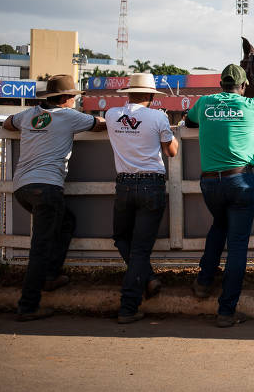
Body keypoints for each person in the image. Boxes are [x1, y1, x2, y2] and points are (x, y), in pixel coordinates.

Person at [185, 64, 254, 328]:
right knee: (238, 246)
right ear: (243, 86)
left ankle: (204, 280)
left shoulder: (204, 102)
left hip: (210, 183)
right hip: (240, 180)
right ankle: (226, 311)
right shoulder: (252, 105)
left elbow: (189, 121)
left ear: (220, 84)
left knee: (219, 225)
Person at [3, 74, 106, 321]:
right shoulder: (69, 116)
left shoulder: (28, 114)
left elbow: (7, 123)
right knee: (41, 246)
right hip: (48, 187)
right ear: (64, 98)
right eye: (73, 97)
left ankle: (50, 275)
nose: (75, 101)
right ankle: (29, 304)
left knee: (65, 223)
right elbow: (100, 124)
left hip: (23, 188)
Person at [105, 73, 179, 324]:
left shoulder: (112, 115)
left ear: (127, 93)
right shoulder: (158, 117)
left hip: (124, 184)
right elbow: (171, 151)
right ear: (150, 96)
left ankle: (147, 278)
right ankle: (128, 305)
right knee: (140, 249)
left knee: (121, 238)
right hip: (151, 184)